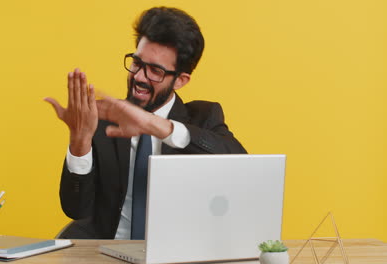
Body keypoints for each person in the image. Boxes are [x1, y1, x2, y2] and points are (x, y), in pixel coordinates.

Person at [45, 7, 247, 239]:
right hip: (108, 253)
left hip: (177, 254)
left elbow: (240, 164)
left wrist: (155, 125)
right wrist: (79, 140)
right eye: (137, 63)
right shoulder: (101, 119)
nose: (140, 77)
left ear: (180, 80)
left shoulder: (203, 116)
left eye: (155, 71)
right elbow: (75, 209)